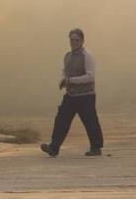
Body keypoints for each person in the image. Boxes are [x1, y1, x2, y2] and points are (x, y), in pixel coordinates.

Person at [40, 28, 104, 157]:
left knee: (90, 121)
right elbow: (65, 70)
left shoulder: (87, 56)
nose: (74, 42)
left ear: (82, 40)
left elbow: (90, 77)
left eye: (77, 40)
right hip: (71, 95)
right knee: (61, 120)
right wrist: (63, 79)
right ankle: (54, 147)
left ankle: (96, 147)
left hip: (86, 96)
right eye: (72, 40)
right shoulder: (68, 55)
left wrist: (70, 81)